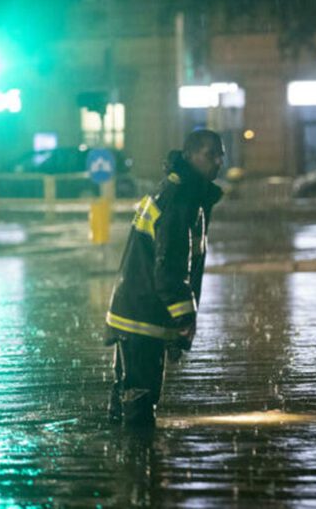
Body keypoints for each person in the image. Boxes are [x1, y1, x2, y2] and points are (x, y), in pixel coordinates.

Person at [105, 129, 224, 426]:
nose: (218, 161)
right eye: (210, 154)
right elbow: (170, 266)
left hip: (134, 311)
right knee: (141, 404)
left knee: (128, 396)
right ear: (189, 156)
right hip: (145, 318)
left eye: (221, 154)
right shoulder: (181, 198)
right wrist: (184, 317)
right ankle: (139, 463)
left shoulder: (174, 190)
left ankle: (118, 461)